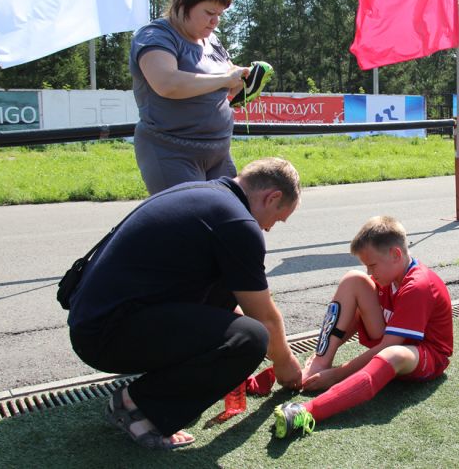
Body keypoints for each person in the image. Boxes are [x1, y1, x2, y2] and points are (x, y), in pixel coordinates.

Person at [67, 157, 304, 450]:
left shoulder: (205, 195)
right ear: (273, 197)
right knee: (252, 338)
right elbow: (264, 318)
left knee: (236, 318)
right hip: (106, 336)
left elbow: (225, 300)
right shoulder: (238, 224)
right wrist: (285, 364)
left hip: (94, 322)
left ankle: (157, 394)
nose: (268, 228)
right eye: (277, 219)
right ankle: (136, 407)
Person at [272, 216, 453, 438]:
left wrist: (337, 374)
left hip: (426, 355)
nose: (369, 272)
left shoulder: (418, 285)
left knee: (393, 353)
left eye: (372, 265)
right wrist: (323, 355)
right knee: (353, 280)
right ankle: (318, 365)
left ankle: (308, 411)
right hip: (391, 340)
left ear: (396, 254)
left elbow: (387, 346)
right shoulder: (389, 275)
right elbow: (355, 318)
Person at [130, 0, 249, 195]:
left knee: (228, 214)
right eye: (209, 13)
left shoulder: (210, 40)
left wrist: (241, 79)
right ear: (183, 4)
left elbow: (225, 77)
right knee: (189, 216)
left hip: (218, 151)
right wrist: (226, 79)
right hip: (172, 152)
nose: (215, 22)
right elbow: (167, 84)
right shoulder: (154, 36)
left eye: (220, 15)